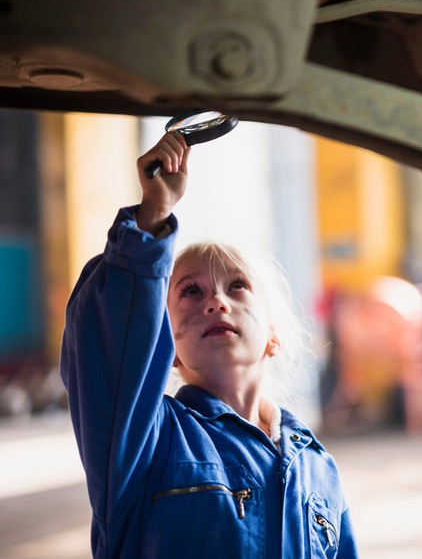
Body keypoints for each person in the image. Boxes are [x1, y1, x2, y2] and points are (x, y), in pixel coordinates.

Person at [60, 132, 358, 558]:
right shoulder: (147, 440)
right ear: (166, 344)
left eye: (237, 286)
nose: (216, 301)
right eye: (191, 291)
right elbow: (111, 343)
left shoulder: (317, 465)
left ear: (273, 334)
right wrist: (153, 214)